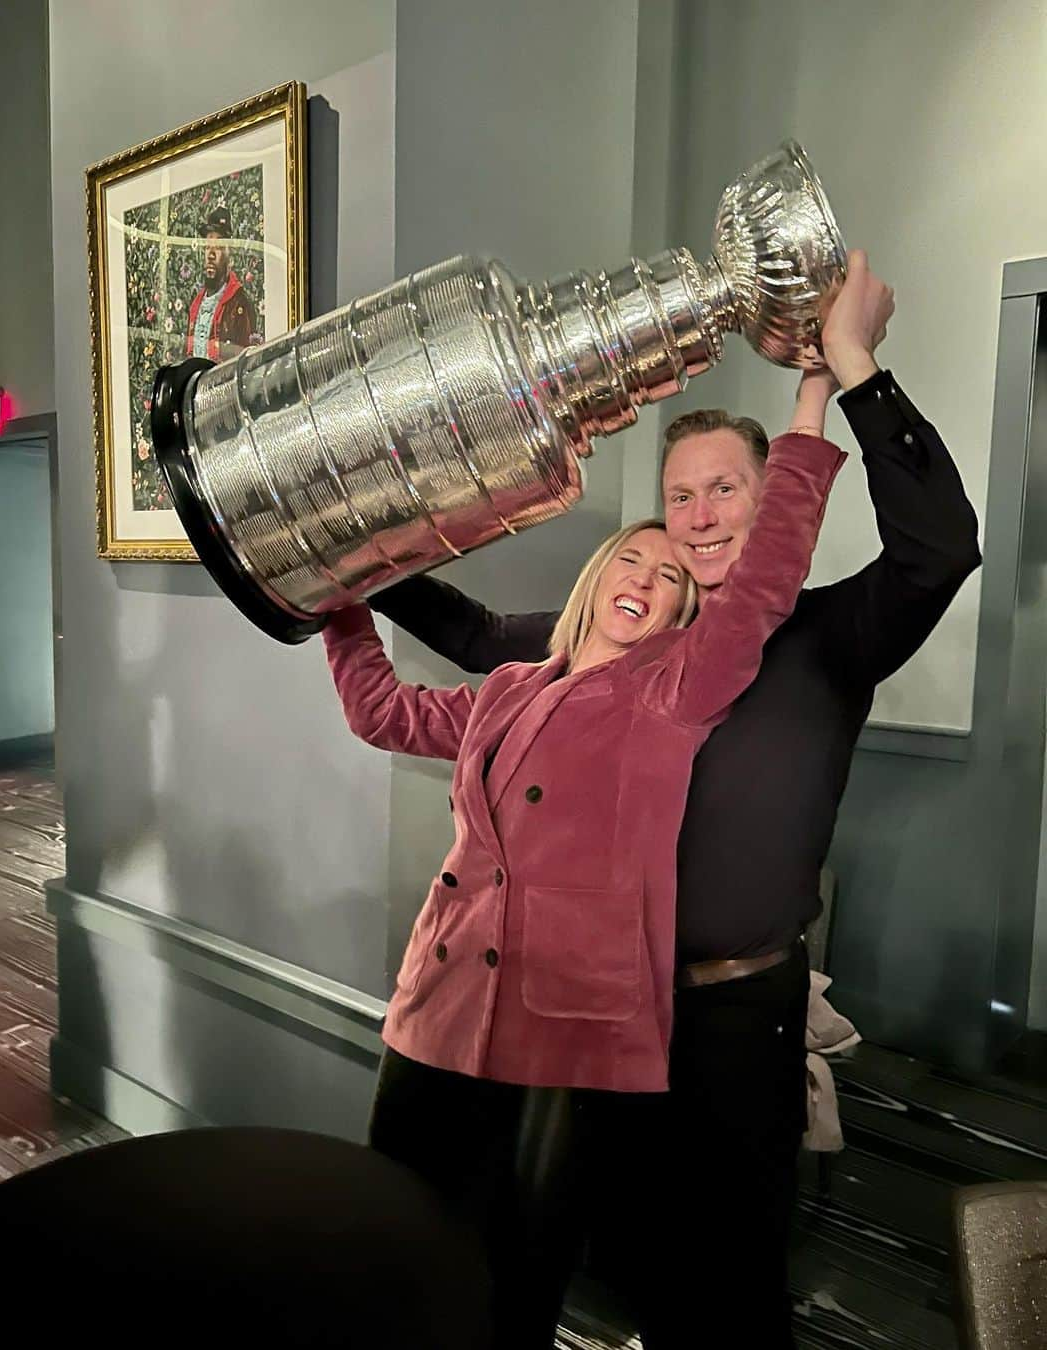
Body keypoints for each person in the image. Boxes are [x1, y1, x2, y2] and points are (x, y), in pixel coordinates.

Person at [366, 250, 982, 1346]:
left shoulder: (830, 635)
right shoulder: (621, 643)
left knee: (727, 1290)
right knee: (565, 1254)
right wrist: (348, 552)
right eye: (679, 495)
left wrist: (854, 371)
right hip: (595, 1007)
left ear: (776, 490)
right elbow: (466, 634)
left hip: (736, 1013)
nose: (698, 518)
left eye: (725, 489)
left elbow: (942, 547)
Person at [322, 412, 845, 1348]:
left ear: (687, 614)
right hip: (438, 1006)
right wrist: (332, 596)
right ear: (596, 575)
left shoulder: (677, 691)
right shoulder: (511, 687)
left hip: (566, 1031)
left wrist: (809, 412)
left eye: (672, 577)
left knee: (518, 1275)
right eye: (631, 562)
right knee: (398, 1240)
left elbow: (767, 581)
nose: (646, 579)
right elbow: (380, 713)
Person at [185, 206, 258, 361]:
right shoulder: (196, 304)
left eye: (218, 248)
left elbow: (247, 364)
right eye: (207, 248)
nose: (211, 255)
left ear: (229, 254)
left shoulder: (240, 303)